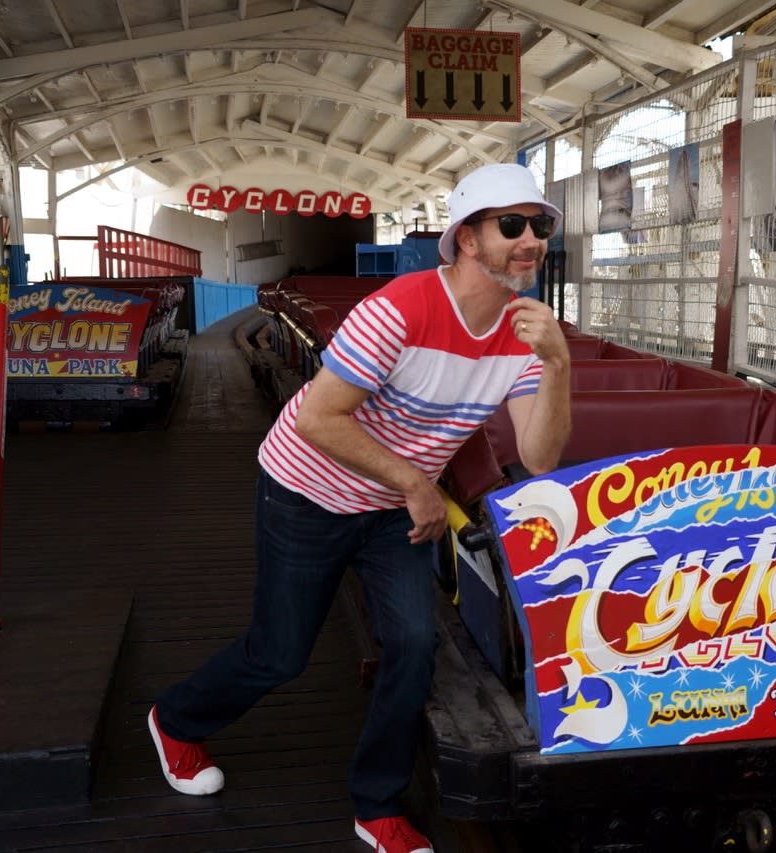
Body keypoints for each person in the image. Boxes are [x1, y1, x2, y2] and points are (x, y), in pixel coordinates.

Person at [147, 162, 571, 853]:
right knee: (281, 652)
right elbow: (318, 417)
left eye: (541, 225)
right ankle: (176, 718)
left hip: (393, 508)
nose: (532, 240)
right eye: (513, 225)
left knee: (414, 642)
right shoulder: (401, 308)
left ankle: (376, 804)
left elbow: (543, 455)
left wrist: (558, 365)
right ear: (467, 239)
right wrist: (413, 481)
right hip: (308, 489)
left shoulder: (525, 335)